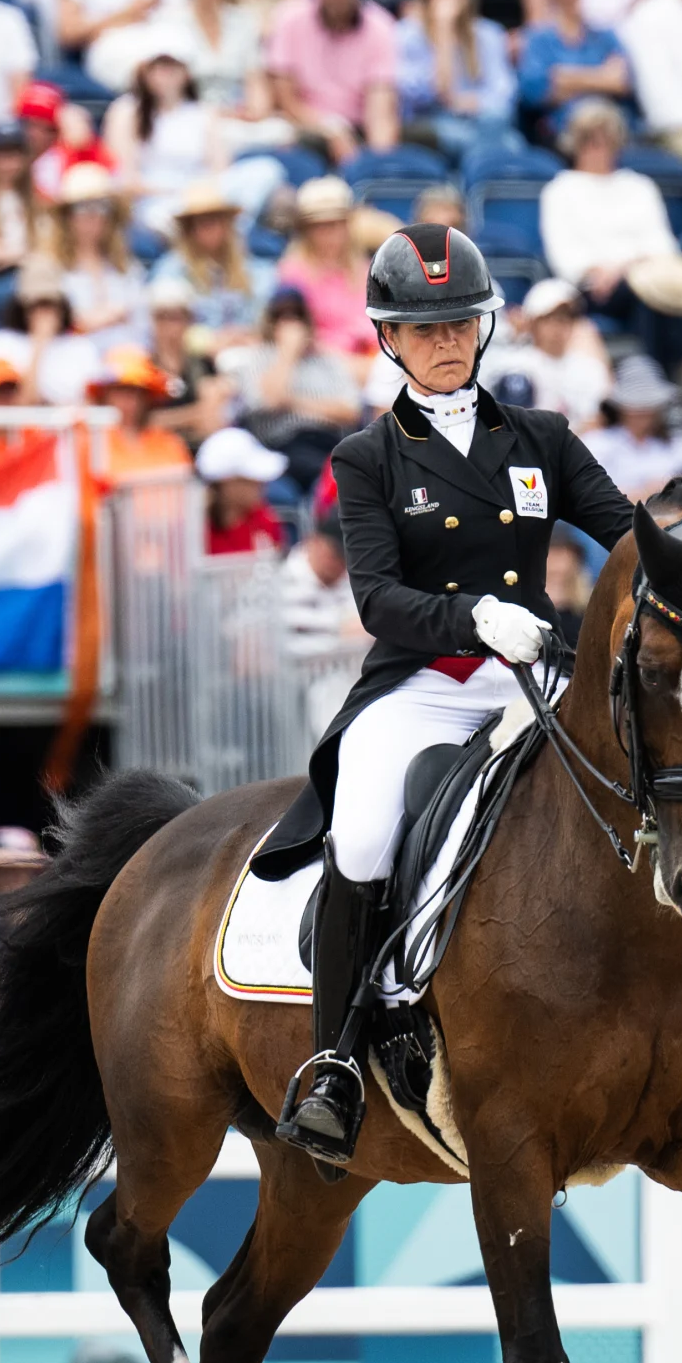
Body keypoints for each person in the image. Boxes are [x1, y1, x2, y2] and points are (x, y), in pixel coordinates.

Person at [258, 221, 640, 1170]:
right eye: (423, 328)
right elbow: (377, 596)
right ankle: (336, 1063)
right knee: (365, 833)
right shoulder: (366, 458)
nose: (446, 341)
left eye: (461, 322)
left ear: (485, 326)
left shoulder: (542, 437)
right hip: (424, 684)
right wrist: (472, 617)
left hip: (532, 681)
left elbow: (625, 535)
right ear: (389, 338)